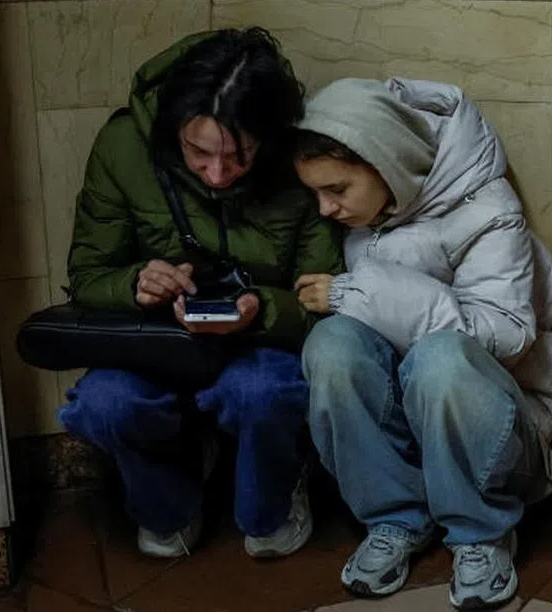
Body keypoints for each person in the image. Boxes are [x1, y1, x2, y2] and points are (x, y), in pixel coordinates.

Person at [291, 78, 552, 610]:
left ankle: (481, 530)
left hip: (512, 431)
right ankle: (396, 518)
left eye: (336, 190)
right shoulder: (376, 211)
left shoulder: (488, 210)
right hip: (421, 424)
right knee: (332, 344)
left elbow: (507, 335)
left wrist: (362, 291)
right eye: (315, 193)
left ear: (389, 164)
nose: (325, 210)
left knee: (442, 357)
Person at [57, 29, 345, 560]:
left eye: (240, 155)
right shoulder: (125, 146)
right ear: (173, 131)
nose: (217, 173)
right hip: (159, 343)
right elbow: (90, 275)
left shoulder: (298, 157)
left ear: (269, 136)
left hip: (259, 345)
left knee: (262, 393)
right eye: (198, 152)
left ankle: (273, 504)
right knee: (105, 402)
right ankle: (170, 502)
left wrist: (260, 310)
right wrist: (137, 282)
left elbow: (326, 298)